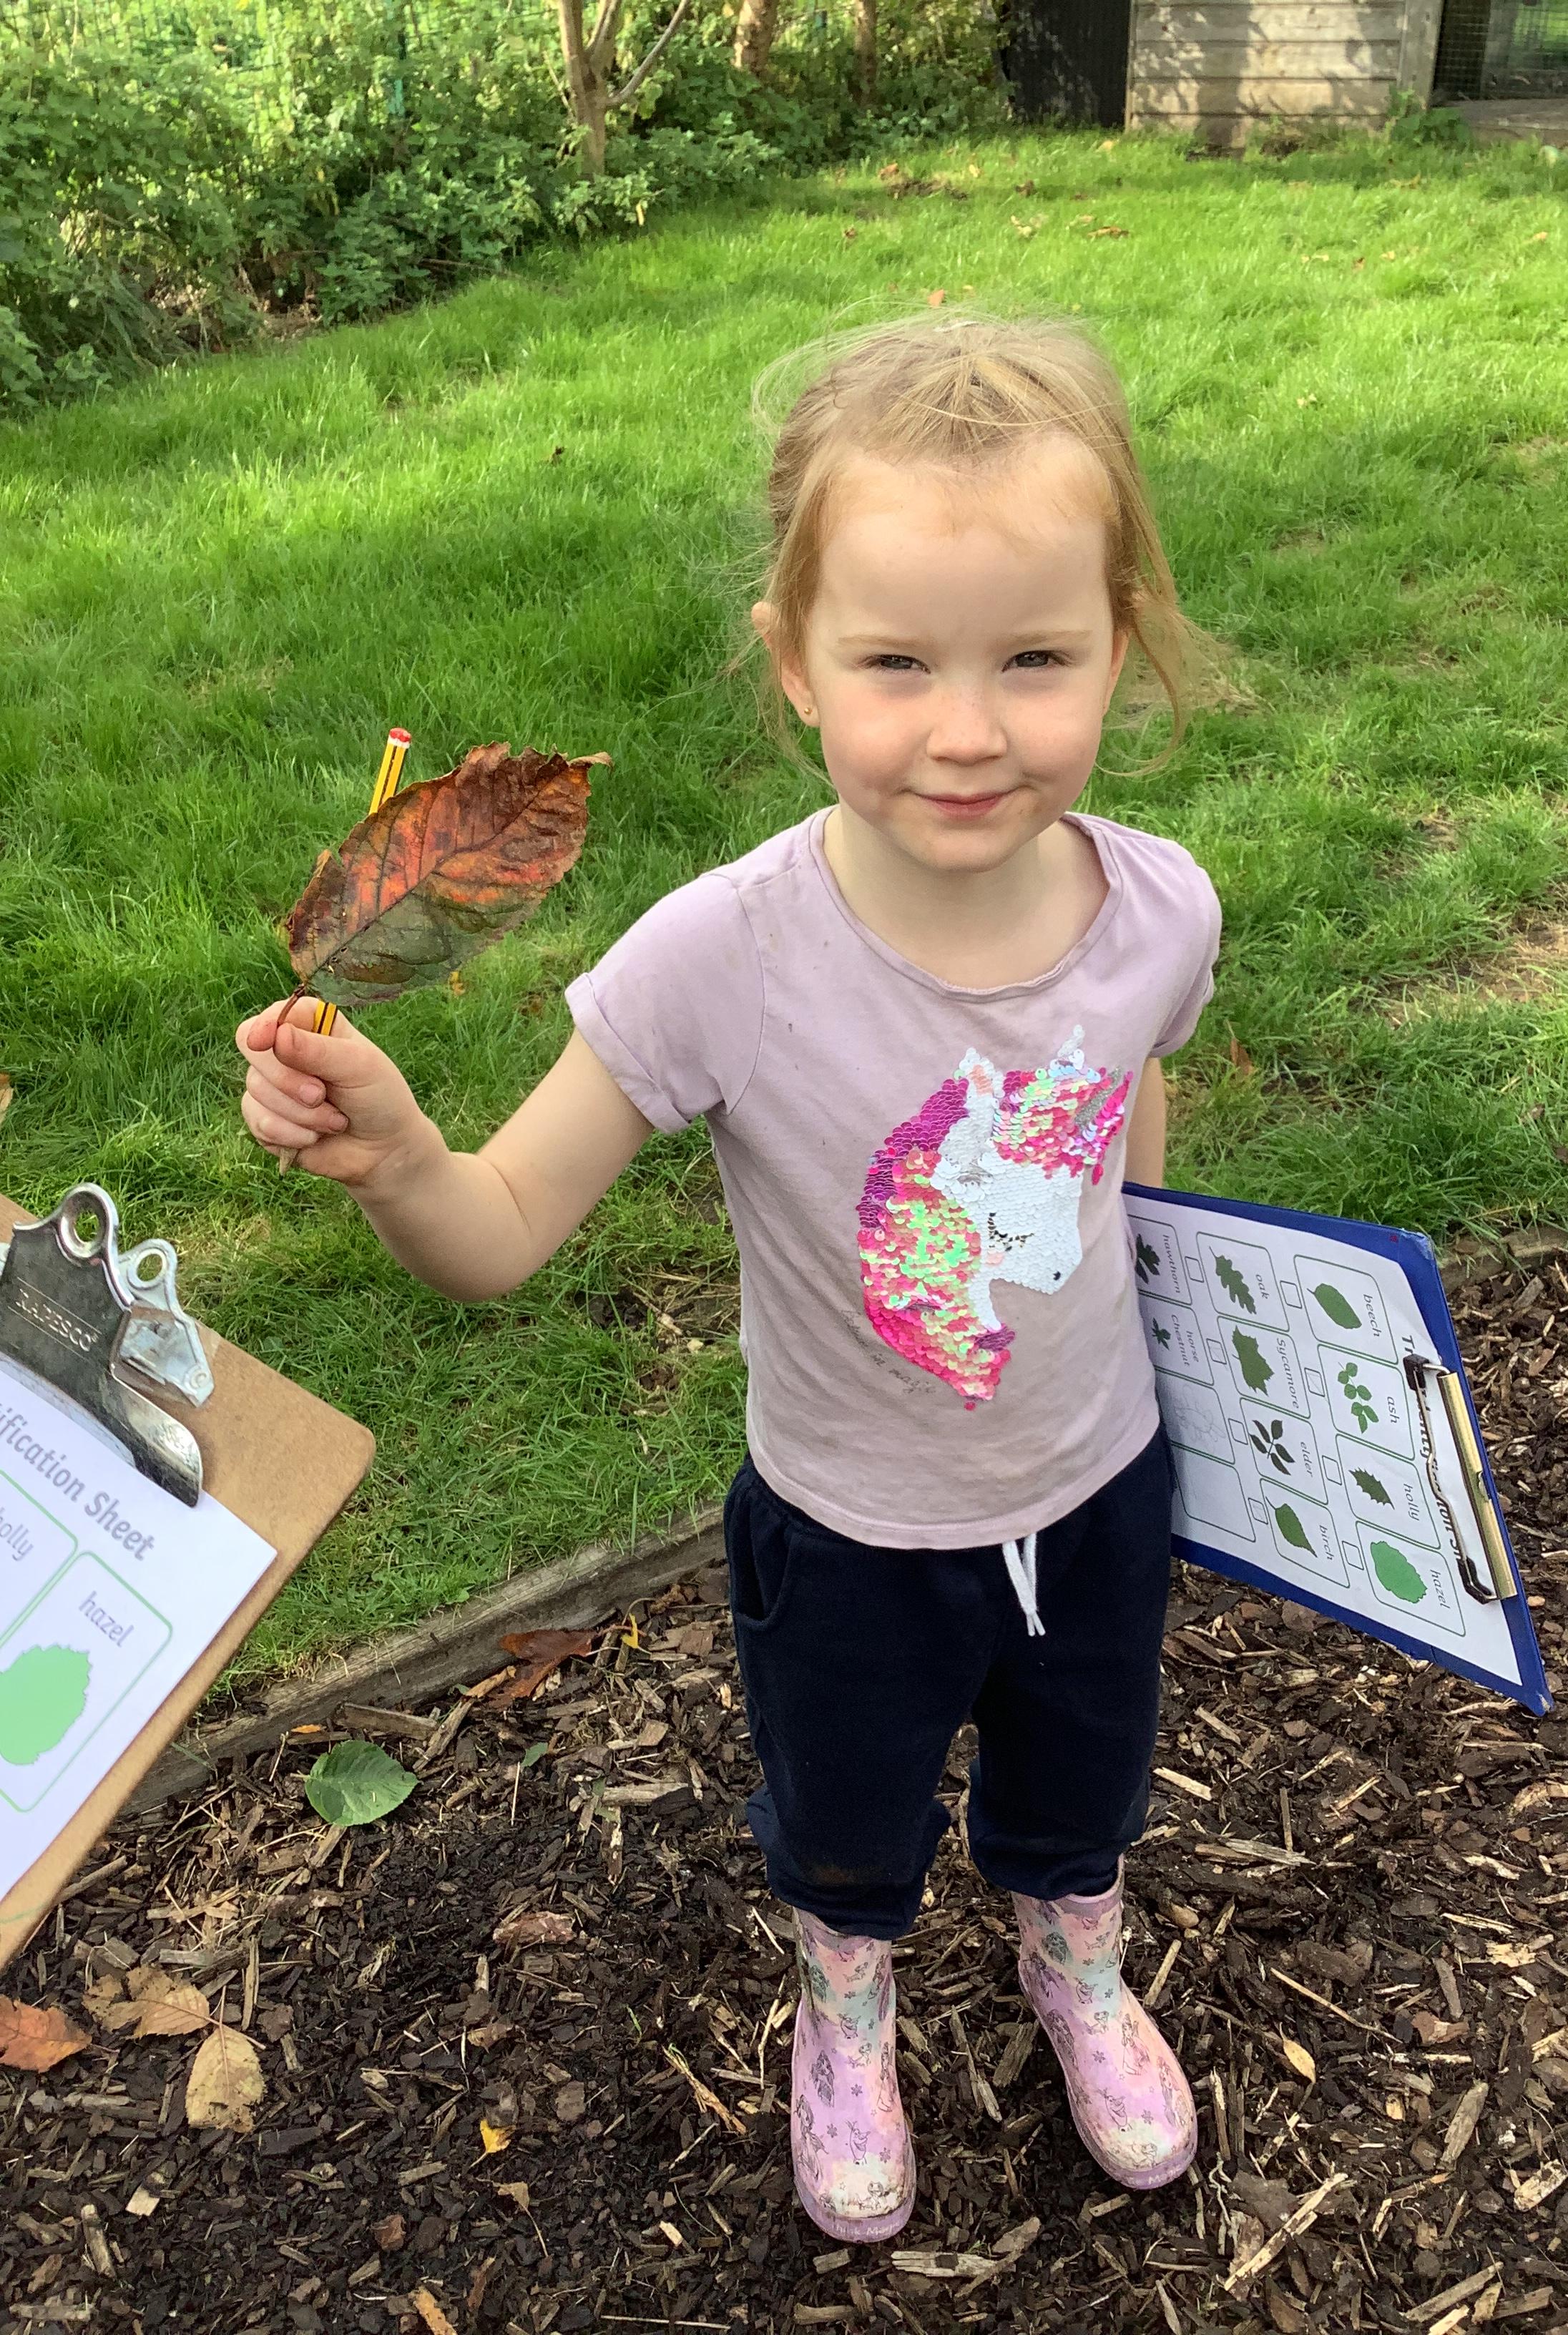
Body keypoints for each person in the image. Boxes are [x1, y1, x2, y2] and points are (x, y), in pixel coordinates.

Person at [237, 313, 1222, 2246]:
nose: (967, 729)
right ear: (795, 666)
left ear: (1120, 641)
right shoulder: (722, 960)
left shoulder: (1159, 909)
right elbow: (498, 1234)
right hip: (848, 1534)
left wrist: (1159, 1293)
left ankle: (1074, 1955)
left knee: (1083, 1783)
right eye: (896, 663)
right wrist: (402, 1160)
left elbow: (1129, 1111)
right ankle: (847, 1998)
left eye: (1034, 658)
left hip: (1100, 1490)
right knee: (847, 1824)